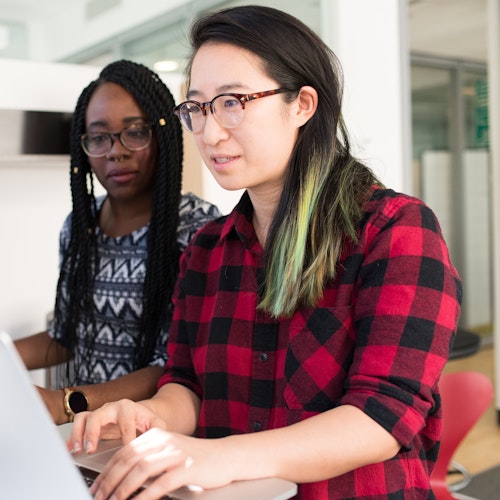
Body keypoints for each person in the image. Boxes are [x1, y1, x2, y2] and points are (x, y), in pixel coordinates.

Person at [69, 7, 462, 500]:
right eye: (197, 108)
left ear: (302, 104)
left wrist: (220, 455)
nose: (210, 134)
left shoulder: (395, 230)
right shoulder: (206, 249)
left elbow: (383, 416)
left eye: (232, 102)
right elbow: (187, 385)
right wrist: (150, 414)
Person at [15, 59, 220, 426]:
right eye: (99, 137)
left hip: (157, 436)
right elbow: (66, 334)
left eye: (135, 132)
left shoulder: (197, 230)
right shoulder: (80, 227)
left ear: (162, 135)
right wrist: (5, 358)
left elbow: (176, 365)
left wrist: (66, 403)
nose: (116, 151)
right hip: (88, 436)